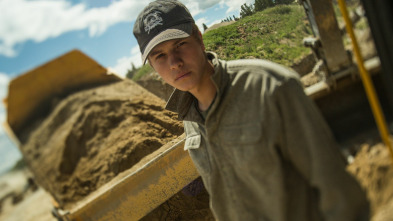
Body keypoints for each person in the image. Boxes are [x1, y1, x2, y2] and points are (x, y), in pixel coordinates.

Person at [133, 1, 369, 220]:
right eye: (160, 56)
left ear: (198, 37)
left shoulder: (269, 87)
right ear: (153, 66)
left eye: (180, 44)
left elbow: (336, 188)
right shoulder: (191, 119)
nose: (174, 62)